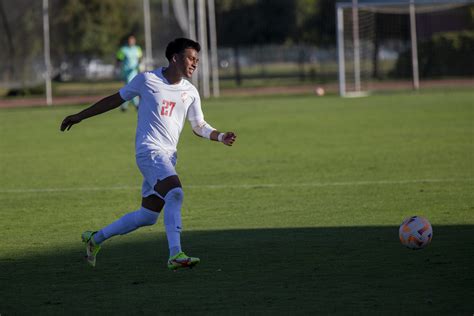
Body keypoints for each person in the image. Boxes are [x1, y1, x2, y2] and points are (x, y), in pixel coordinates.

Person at [60, 38, 237, 270]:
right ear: (175, 58)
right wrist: (80, 115)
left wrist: (220, 136)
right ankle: (175, 254)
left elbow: (198, 125)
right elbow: (116, 99)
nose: (195, 64)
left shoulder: (190, 92)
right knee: (175, 193)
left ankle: (95, 239)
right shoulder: (147, 80)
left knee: (147, 216)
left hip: (168, 157)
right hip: (149, 152)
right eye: (191, 58)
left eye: (197, 60)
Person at [116, 35, 143, 111]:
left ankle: (124, 106)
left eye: (132, 40)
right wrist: (117, 68)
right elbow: (119, 59)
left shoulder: (137, 49)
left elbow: (140, 58)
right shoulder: (123, 49)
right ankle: (137, 104)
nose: (131, 42)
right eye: (129, 40)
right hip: (126, 72)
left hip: (134, 71)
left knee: (129, 88)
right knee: (132, 88)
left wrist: (140, 66)